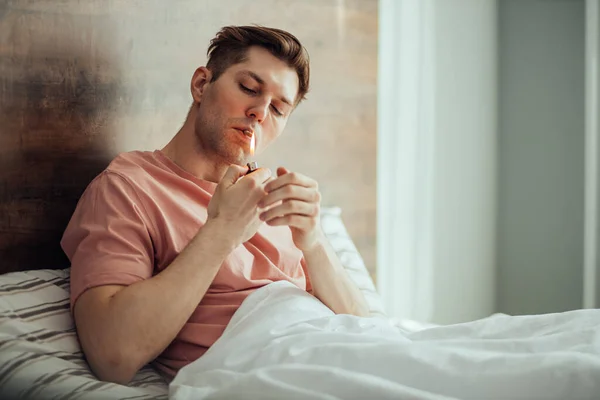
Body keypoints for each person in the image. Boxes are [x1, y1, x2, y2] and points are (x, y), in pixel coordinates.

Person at [60, 25, 369, 385]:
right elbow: (113, 355)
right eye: (249, 89)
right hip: (270, 373)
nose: (260, 112)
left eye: (279, 109)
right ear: (201, 85)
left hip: (334, 352)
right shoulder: (128, 189)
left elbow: (366, 328)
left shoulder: (276, 201)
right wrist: (222, 231)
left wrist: (314, 241)